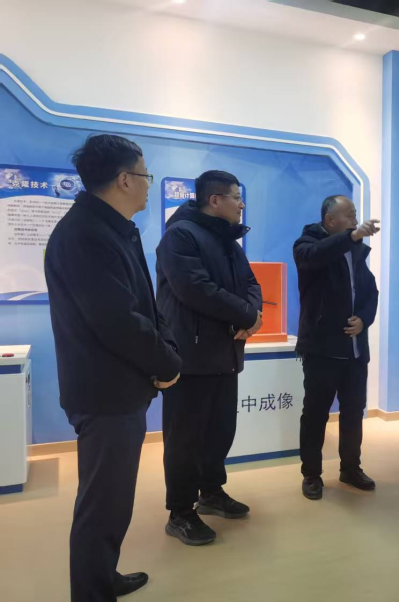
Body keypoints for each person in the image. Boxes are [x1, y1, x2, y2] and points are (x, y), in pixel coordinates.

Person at [45, 134, 182, 600]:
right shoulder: (85, 235)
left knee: (113, 497)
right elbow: (118, 321)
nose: (148, 184)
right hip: (105, 392)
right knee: (102, 503)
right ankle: (91, 590)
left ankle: (103, 575)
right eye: (145, 175)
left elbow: (143, 305)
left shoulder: (113, 228)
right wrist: (167, 363)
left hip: (120, 386)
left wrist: (164, 353)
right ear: (124, 179)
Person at [156, 171, 263, 545]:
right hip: (190, 356)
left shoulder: (228, 241)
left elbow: (251, 284)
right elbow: (196, 289)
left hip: (225, 353)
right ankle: (180, 512)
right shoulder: (180, 236)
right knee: (185, 438)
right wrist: (247, 315)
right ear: (215, 200)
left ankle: (211, 493)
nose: (241, 204)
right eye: (236, 196)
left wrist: (252, 314)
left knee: (219, 431)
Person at [293, 195, 379, 500]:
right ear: (330, 221)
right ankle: (311, 474)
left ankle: (350, 468)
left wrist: (364, 319)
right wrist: (351, 237)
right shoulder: (306, 245)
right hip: (322, 349)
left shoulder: (355, 251)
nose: (355, 220)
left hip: (355, 350)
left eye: (355, 215)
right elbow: (316, 255)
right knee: (315, 414)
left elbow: (370, 292)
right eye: (349, 215)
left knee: (353, 413)